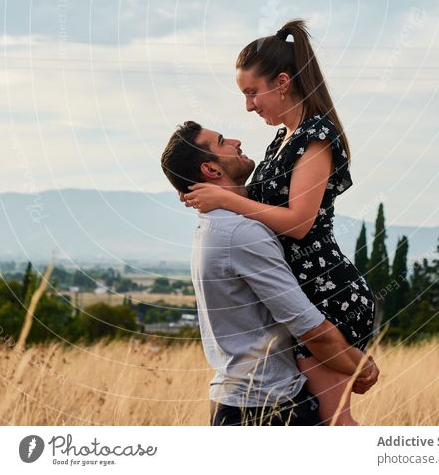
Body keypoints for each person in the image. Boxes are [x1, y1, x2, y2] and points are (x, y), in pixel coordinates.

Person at [181, 19, 377, 426]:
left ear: (283, 82)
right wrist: (222, 198)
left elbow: (300, 223)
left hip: (326, 293)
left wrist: (224, 198)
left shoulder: (316, 136)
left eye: (252, 93)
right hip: (305, 289)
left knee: (334, 422)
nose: (248, 105)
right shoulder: (284, 138)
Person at [161, 120, 379, 426]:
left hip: (243, 400)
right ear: (211, 170)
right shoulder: (241, 233)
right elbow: (307, 325)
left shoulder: (218, 224)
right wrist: (360, 365)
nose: (236, 141)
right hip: (265, 406)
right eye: (223, 141)